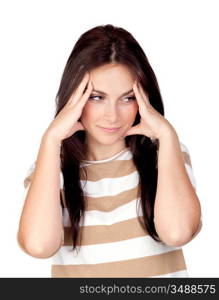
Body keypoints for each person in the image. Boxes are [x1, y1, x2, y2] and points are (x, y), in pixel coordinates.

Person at [17, 24, 202, 278]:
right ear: (74, 97)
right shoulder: (51, 167)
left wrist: (167, 136)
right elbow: (38, 245)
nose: (112, 115)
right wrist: (51, 139)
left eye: (127, 98)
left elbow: (178, 231)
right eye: (96, 97)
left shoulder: (167, 153)